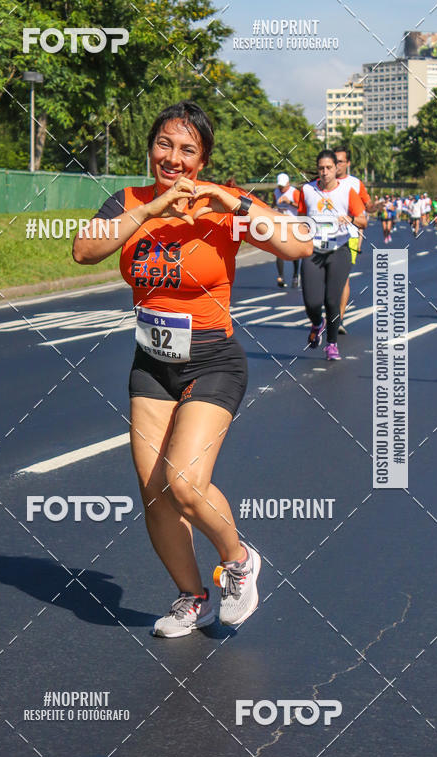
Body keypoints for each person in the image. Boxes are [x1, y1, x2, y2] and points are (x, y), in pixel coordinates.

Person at [72, 101, 312, 637]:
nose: (173, 159)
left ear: (201, 159)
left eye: (188, 150)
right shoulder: (129, 201)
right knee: (154, 489)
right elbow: (84, 251)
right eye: (165, 144)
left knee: (184, 480)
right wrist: (151, 210)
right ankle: (190, 596)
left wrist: (233, 202)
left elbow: (298, 243)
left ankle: (240, 561)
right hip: (151, 364)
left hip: (213, 360)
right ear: (150, 147)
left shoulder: (224, 205)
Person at [297, 149, 366, 360]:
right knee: (312, 302)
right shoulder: (307, 190)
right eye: (321, 168)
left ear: (336, 168)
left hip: (339, 249)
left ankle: (332, 343)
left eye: (328, 168)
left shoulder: (347, 191)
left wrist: (350, 220)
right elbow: (301, 219)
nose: (325, 172)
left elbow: (363, 220)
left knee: (332, 300)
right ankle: (317, 323)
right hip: (313, 249)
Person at [334, 147, 376, 335]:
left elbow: (368, 207)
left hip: (349, 235)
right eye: (334, 161)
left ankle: (339, 320)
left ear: (348, 163)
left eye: (340, 162)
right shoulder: (322, 181)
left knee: (343, 278)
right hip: (323, 237)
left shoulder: (355, 184)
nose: (336, 165)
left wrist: (376, 206)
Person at [271, 173, 301, 287]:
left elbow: (301, 207)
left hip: (293, 224)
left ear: (288, 183)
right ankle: (281, 277)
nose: (281, 188)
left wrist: (289, 202)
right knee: (279, 250)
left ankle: (295, 275)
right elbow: (274, 205)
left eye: (283, 186)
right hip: (280, 224)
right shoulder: (276, 192)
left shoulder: (294, 192)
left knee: (294, 251)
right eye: (280, 186)